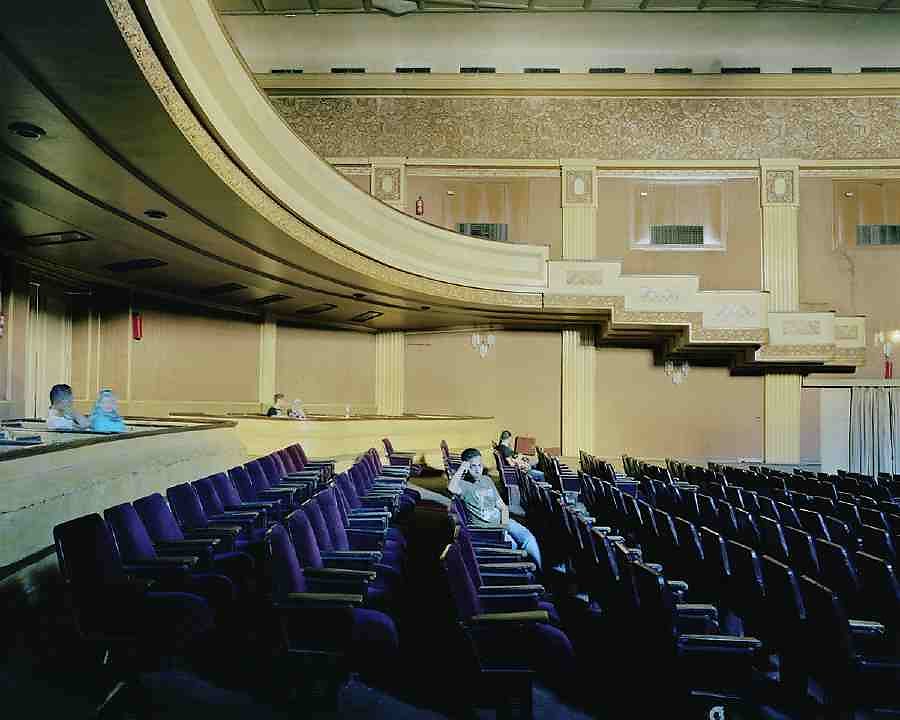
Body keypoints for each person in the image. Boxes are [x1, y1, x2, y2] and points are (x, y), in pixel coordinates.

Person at [448, 448, 542, 570]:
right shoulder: (463, 485)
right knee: (513, 545)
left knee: (528, 538)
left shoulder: (487, 480)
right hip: (488, 529)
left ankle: (541, 574)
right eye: (473, 466)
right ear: (466, 467)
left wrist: (504, 526)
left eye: (479, 465)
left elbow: (502, 506)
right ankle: (525, 577)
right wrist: (462, 467)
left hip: (503, 522)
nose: (477, 470)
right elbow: (451, 488)